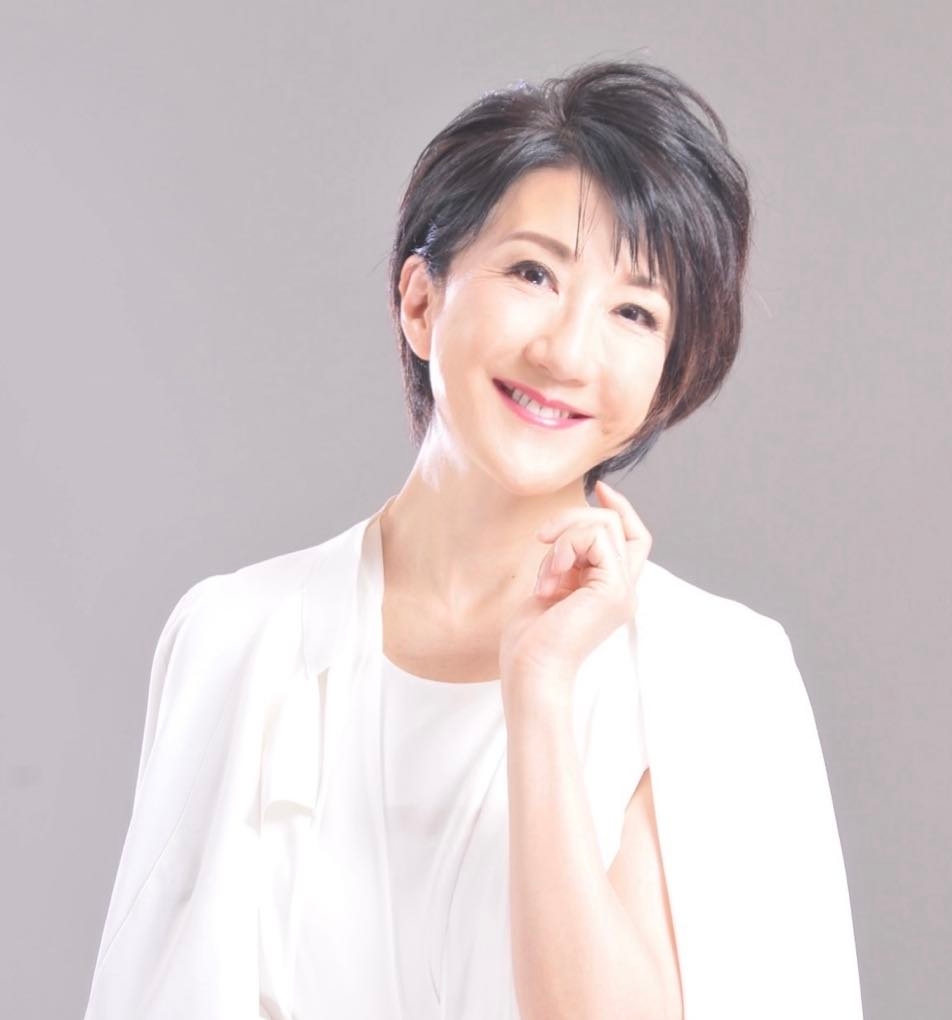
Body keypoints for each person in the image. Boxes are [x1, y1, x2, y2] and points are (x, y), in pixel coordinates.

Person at [83, 59, 864, 1020]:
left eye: (634, 311)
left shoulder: (717, 671)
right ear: (421, 301)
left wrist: (539, 690)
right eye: (533, 273)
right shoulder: (232, 635)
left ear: (668, 377)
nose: (567, 352)